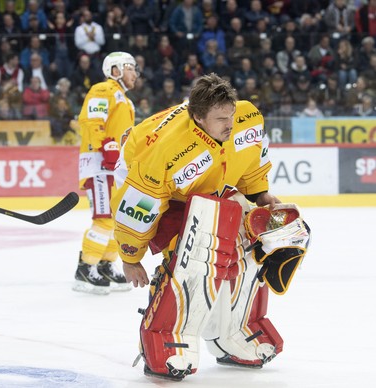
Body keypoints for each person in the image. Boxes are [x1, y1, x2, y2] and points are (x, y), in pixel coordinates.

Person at [111, 73, 310, 380]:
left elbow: (251, 161)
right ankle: (164, 334)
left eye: (230, 114)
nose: (230, 124)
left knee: (253, 240)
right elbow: (138, 206)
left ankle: (234, 333)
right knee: (195, 253)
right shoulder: (166, 151)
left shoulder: (247, 118)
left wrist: (260, 194)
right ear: (199, 118)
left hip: (211, 186)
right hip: (156, 191)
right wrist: (129, 255)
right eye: (221, 119)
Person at [73, 51, 139, 295]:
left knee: (115, 217)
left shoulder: (125, 99)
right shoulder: (103, 90)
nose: (135, 73)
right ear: (115, 70)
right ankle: (85, 267)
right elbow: (91, 121)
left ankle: (105, 263)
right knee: (103, 218)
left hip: (114, 166)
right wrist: (107, 146)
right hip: (99, 164)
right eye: (130, 67)